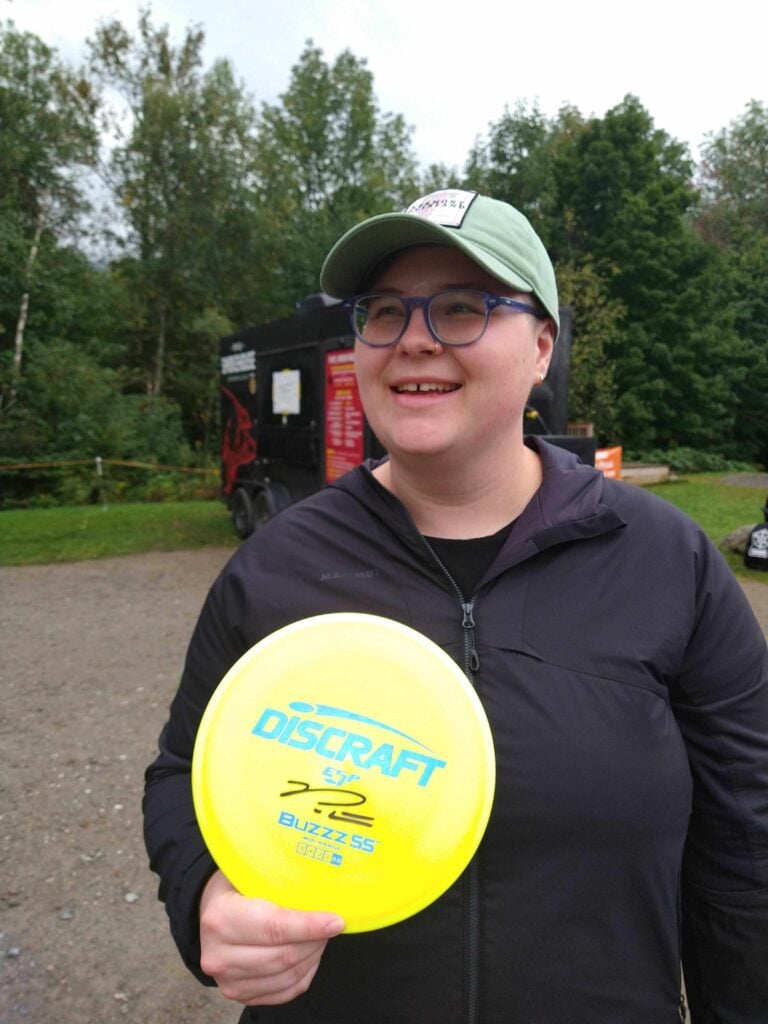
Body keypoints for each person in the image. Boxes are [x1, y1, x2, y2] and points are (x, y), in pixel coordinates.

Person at [144, 189, 768, 1023]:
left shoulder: (665, 560)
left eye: (464, 308)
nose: (414, 341)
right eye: (385, 312)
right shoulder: (278, 566)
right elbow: (186, 772)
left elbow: (748, 836)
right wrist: (203, 897)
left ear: (543, 347)